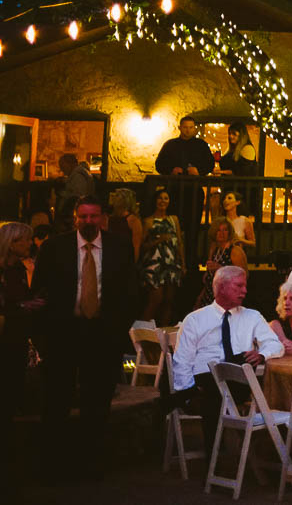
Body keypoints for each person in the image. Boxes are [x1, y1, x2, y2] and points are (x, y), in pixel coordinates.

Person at [32, 195, 138, 476]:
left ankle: (91, 462)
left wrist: (118, 328)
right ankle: (52, 463)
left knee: (98, 401)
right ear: (75, 218)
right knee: (57, 399)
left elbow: (131, 290)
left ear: (103, 218)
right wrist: (45, 337)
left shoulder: (119, 246)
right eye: (83, 217)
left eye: (93, 216)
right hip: (64, 333)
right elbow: (40, 292)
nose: (88, 222)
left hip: (103, 334)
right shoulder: (55, 248)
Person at [171, 265, 283, 424]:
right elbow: (183, 361)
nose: (244, 291)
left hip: (237, 383)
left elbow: (275, 344)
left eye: (245, 286)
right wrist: (188, 394)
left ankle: (212, 447)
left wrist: (262, 354)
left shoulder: (252, 316)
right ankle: (214, 446)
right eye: (239, 285)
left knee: (239, 362)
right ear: (221, 287)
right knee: (212, 392)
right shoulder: (195, 319)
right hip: (202, 382)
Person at [0, 221, 34, 477]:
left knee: (13, 391)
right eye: (25, 240)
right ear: (12, 243)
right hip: (7, 339)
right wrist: (24, 307)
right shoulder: (5, 272)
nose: (30, 244)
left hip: (17, 337)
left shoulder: (18, 271)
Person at [140, 187, 184, 324]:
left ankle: (162, 334)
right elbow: (142, 246)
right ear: (155, 201)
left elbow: (180, 243)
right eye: (160, 198)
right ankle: (142, 334)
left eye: (166, 198)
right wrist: (158, 240)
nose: (163, 201)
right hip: (155, 265)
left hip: (171, 264)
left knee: (168, 301)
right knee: (155, 300)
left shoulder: (173, 220)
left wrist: (183, 264)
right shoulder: (148, 221)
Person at [196, 219, 248, 309]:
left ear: (229, 232)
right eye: (218, 230)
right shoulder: (214, 249)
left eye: (225, 230)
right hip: (209, 298)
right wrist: (200, 298)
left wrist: (220, 268)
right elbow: (208, 279)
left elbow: (244, 276)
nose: (221, 233)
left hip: (226, 299)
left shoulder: (235, 251)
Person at [106, 187, 143, 259]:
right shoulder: (108, 218)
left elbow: (136, 246)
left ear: (124, 200)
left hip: (125, 258)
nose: (113, 197)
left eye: (117, 195)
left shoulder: (133, 220)